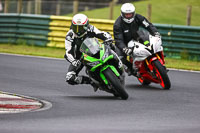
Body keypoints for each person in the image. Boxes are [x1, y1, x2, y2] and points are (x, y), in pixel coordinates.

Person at [64, 13, 114, 89]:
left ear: (86, 26)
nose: (78, 31)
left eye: (80, 28)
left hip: (95, 49)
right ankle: (91, 81)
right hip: (80, 58)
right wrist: (74, 61)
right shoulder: (70, 36)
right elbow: (68, 52)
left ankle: (119, 62)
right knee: (70, 78)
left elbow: (100, 33)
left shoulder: (90, 28)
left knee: (111, 46)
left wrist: (108, 38)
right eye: (75, 28)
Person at [113, 3, 161, 76]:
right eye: (126, 14)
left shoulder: (138, 17)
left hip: (137, 37)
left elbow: (148, 25)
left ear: (133, 13)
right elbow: (118, 40)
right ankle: (131, 69)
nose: (129, 16)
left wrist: (155, 32)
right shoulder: (118, 24)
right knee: (120, 59)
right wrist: (124, 48)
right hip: (124, 42)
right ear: (122, 14)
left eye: (130, 14)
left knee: (152, 45)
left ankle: (157, 59)